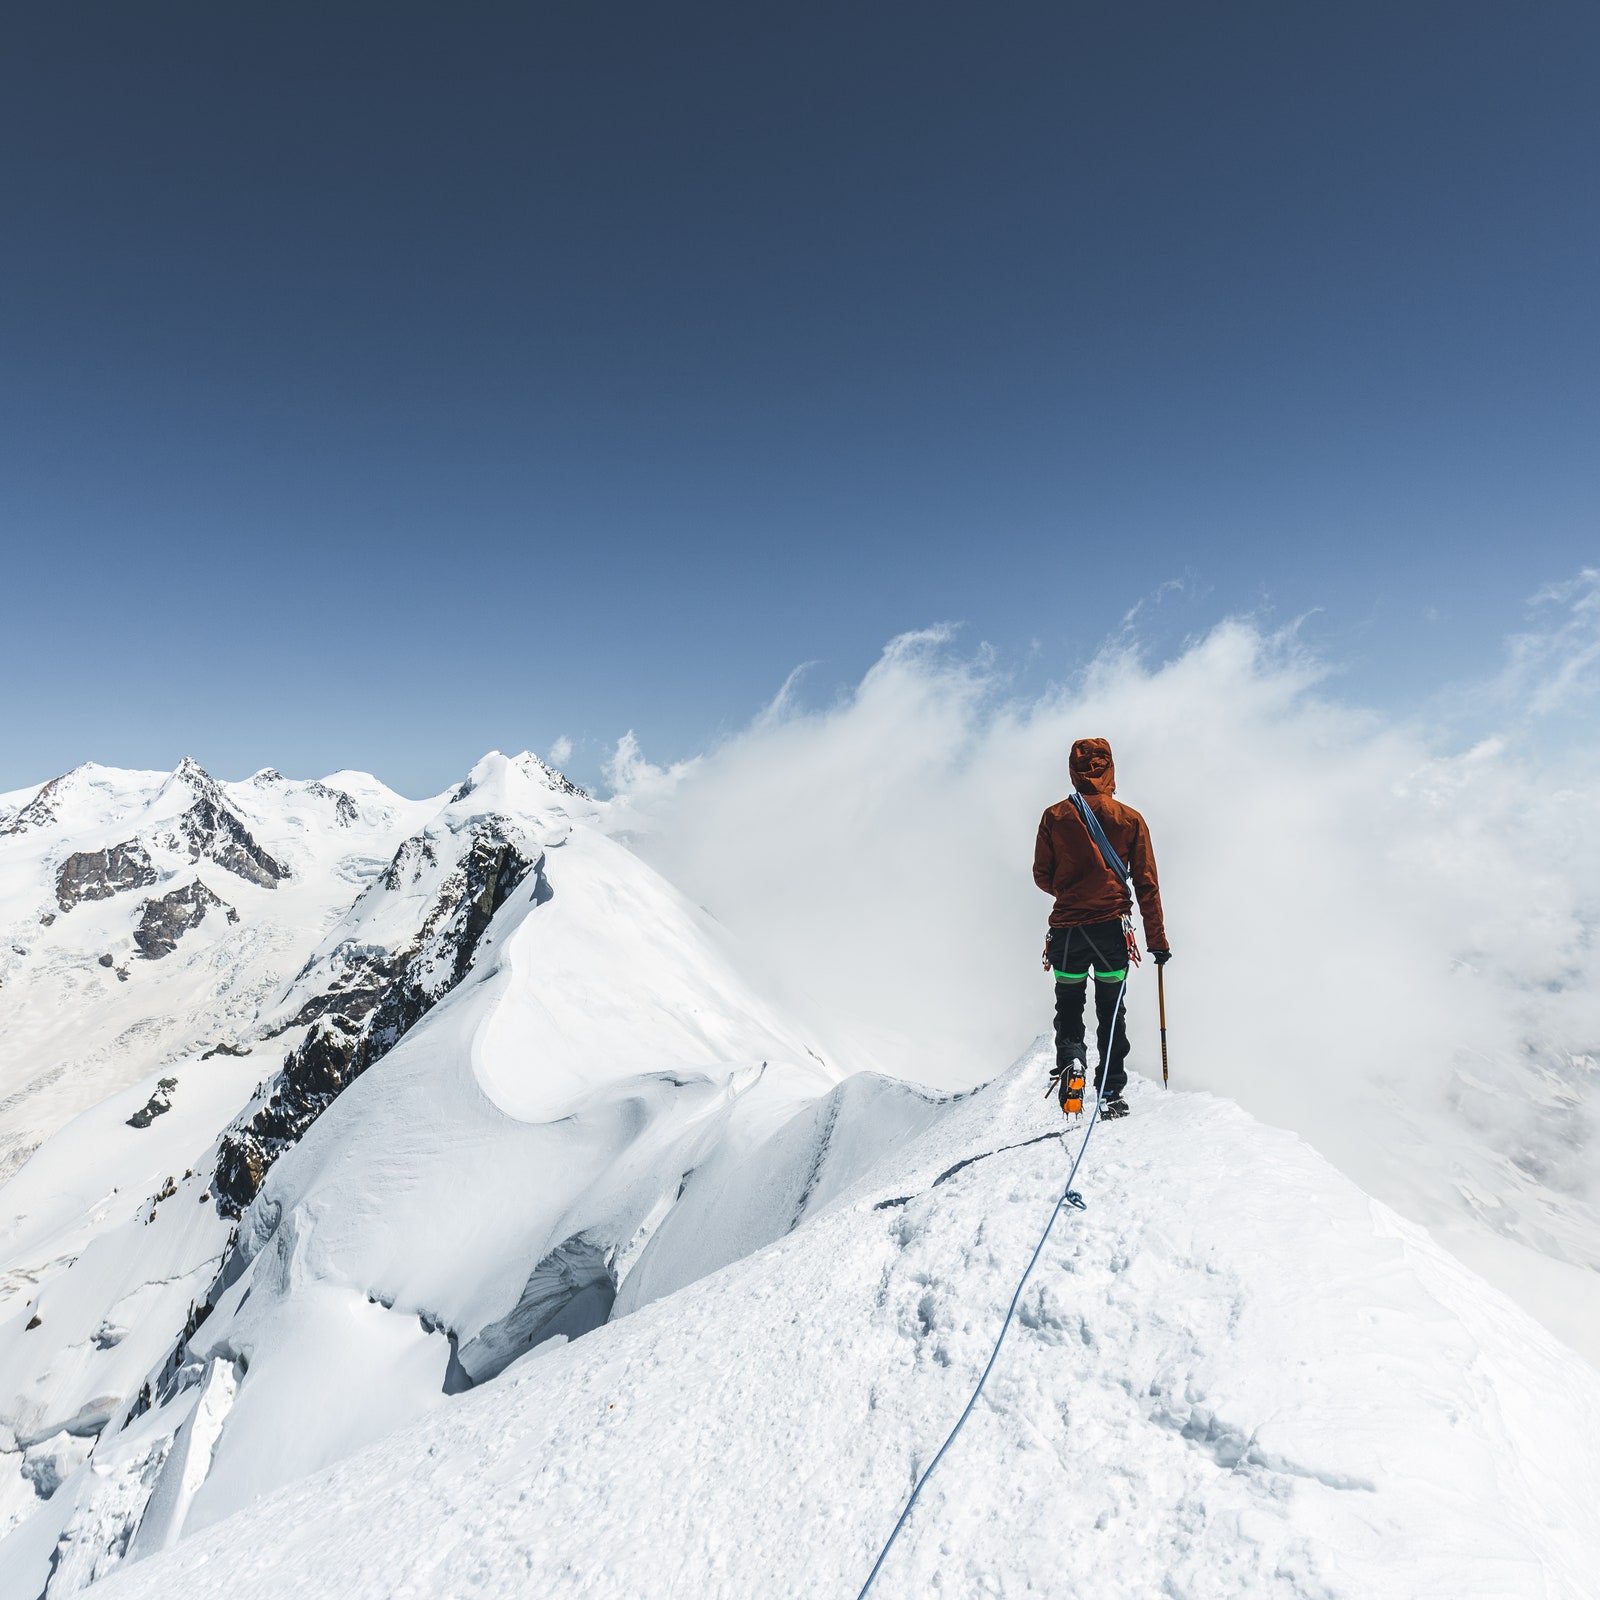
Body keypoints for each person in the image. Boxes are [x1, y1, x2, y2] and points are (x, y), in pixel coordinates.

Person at [1033, 737, 1169, 1119]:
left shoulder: (1054, 816)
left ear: (1072, 771)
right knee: (1112, 1014)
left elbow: (1041, 875)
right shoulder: (1129, 818)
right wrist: (1157, 941)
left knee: (1069, 1006)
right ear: (1110, 768)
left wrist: (1069, 890)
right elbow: (1146, 883)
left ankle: (1072, 1062)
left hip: (1067, 934)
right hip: (1112, 933)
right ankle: (1109, 1092)